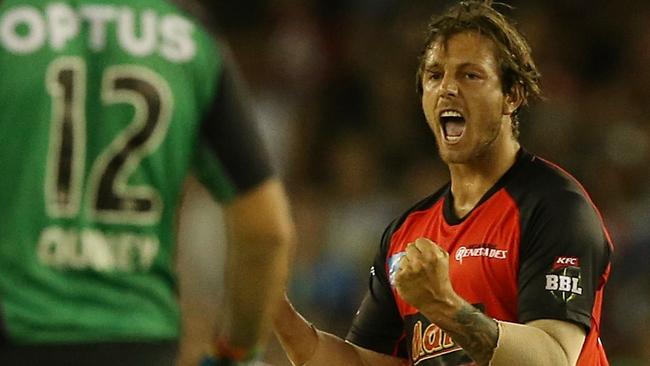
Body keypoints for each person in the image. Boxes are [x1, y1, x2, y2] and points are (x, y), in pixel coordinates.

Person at [273, 1, 612, 365]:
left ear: (511, 96)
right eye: (435, 76)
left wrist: (443, 305)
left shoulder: (554, 207)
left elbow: (555, 358)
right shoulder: (406, 232)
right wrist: (275, 309)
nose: (448, 88)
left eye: (470, 75)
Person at [0, 0, 294, 365]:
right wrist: (235, 353)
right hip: (141, 338)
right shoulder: (187, 37)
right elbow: (266, 231)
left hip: (21, 333)